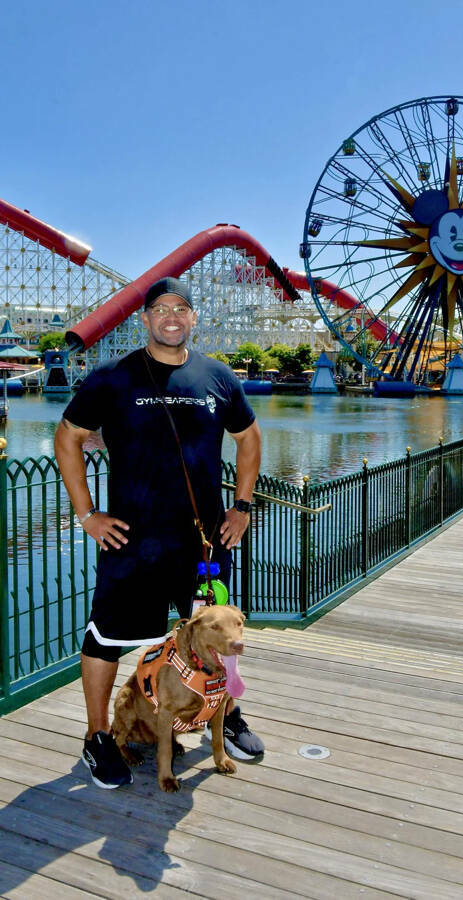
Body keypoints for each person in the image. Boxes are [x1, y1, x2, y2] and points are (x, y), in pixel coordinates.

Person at [54, 276, 263, 789]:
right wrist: (87, 515)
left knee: (212, 635)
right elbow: (68, 438)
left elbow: (249, 438)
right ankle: (97, 736)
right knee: (106, 638)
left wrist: (241, 505)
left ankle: (223, 712)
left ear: (193, 318)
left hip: (204, 542)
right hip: (132, 540)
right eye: (160, 308)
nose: (171, 316)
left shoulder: (218, 377)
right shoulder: (111, 377)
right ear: (143, 319)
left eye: (181, 308)